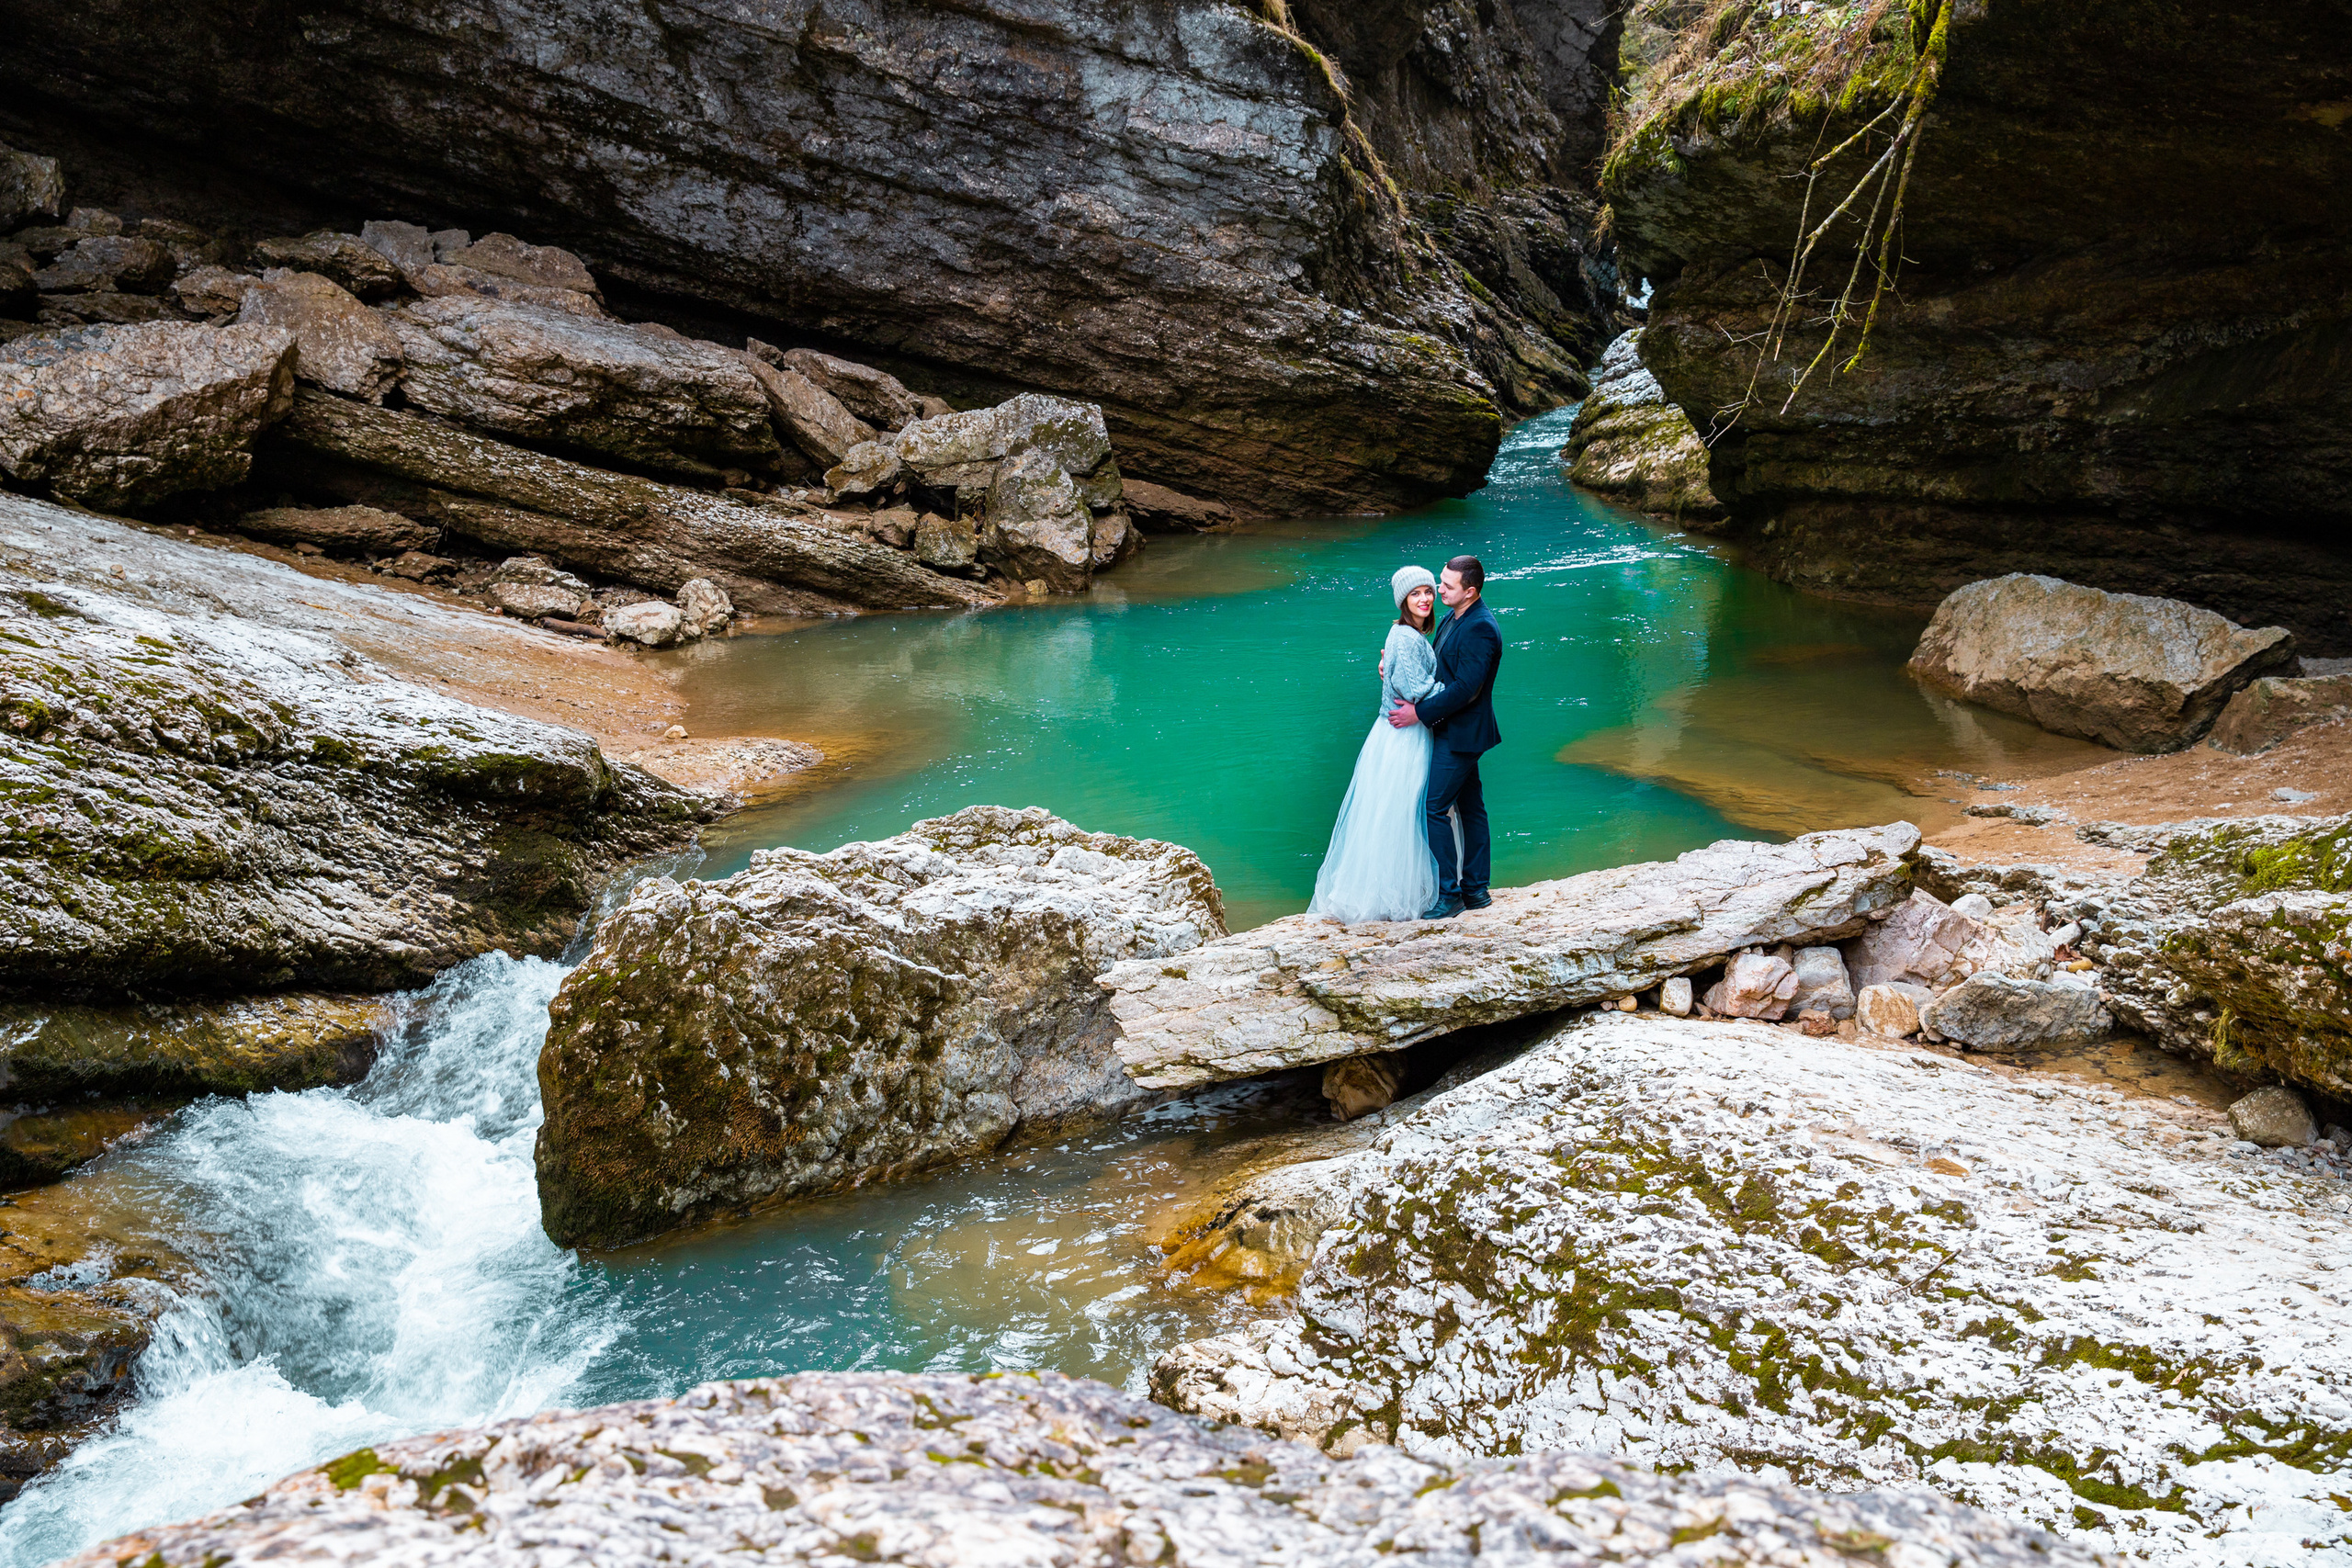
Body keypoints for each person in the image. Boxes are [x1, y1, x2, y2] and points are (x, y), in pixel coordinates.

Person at [1306, 566, 1442, 922]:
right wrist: (1458, 690)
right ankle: (1400, 895)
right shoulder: (1408, 637)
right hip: (1406, 735)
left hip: (1389, 734)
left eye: (1428, 591)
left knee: (1388, 814)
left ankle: (1386, 891)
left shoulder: (1400, 632)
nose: (1425, 599)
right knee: (1404, 814)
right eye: (1416, 594)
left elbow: (1401, 673)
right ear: (1403, 600)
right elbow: (1417, 690)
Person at [1386, 555, 1499, 919]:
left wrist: (1418, 713)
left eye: (1447, 586)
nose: (1438, 590)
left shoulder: (1481, 627)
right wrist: (1391, 665)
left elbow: (1467, 688)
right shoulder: (1455, 615)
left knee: (1434, 808)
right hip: (1454, 729)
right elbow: (1437, 663)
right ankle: (1476, 891)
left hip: (1462, 733)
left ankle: (1450, 894)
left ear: (1470, 591)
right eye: (1441, 581)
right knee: (1469, 808)